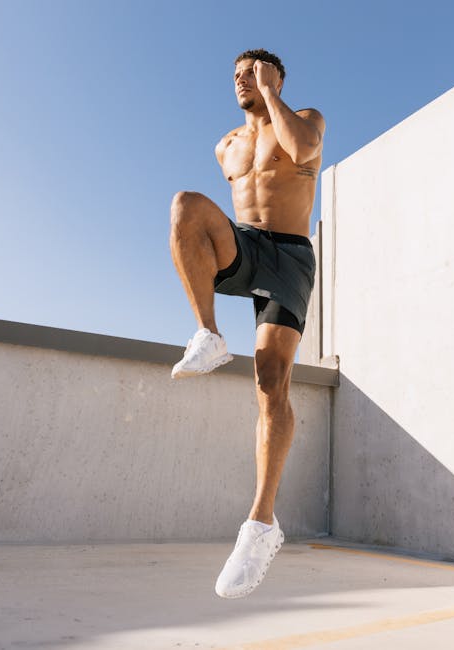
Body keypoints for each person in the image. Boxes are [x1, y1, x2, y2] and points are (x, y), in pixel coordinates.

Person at [168, 48, 325, 598]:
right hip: (248, 247)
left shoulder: (304, 120)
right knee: (186, 205)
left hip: (290, 257)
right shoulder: (226, 146)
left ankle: (260, 525)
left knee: (270, 382)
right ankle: (208, 333)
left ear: (276, 76)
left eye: (252, 73)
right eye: (236, 75)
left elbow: (303, 152)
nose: (242, 81)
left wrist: (271, 94)